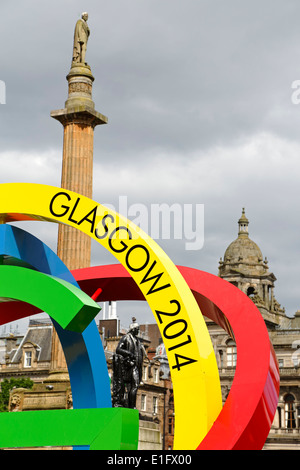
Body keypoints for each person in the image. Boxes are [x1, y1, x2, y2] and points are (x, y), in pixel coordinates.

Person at [112, 317, 145, 408]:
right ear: (133, 329)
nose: (138, 331)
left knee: (135, 386)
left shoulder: (138, 341)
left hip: (137, 366)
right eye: (137, 329)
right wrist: (129, 353)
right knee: (134, 385)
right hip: (129, 366)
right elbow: (118, 349)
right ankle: (131, 406)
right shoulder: (126, 338)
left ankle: (132, 406)